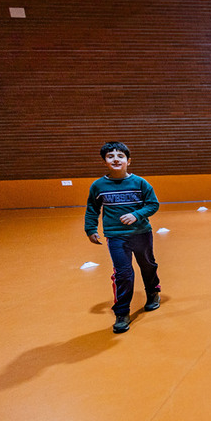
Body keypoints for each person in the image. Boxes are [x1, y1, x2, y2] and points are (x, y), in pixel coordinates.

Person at [84, 141, 161, 334]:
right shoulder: (98, 186)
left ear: (128, 160)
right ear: (105, 162)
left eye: (120, 156)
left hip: (141, 233)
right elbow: (92, 209)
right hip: (115, 237)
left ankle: (153, 292)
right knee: (123, 273)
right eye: (110, 156)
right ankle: (122, 312)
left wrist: (137, 214)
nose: (116, 159)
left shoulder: (140, 183)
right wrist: (90, 229)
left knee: (148, 265)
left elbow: (153, 204)